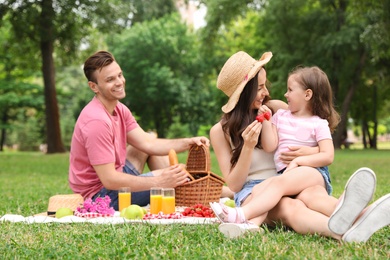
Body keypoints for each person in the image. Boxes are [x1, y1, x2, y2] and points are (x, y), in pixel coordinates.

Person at [209, 51, 390, 241]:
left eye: (266, 85)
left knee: (314, 196)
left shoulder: (276, 109)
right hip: (254, 193)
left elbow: (309, 129)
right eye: (260, 87)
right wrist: (248, 146)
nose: (267, 92)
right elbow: (235, 184)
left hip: (293, 177)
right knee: (291, 208)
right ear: (245, 91)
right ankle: (347, 232)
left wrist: (308, 153)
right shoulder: (220, 132)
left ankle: (355, 215)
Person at [68, 50, 209, 210]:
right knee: (176, 177)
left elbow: (148, 143)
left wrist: (188, 142)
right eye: (110, 79)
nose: (119, 82)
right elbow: (109, 180)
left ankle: (179, 186)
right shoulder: (96, 121)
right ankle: (219, 192)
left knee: (143, 149)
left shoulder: (119, 109)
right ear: (94, 86)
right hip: (101, 196)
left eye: (119, 75)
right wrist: (160, 181)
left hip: (116, 177)